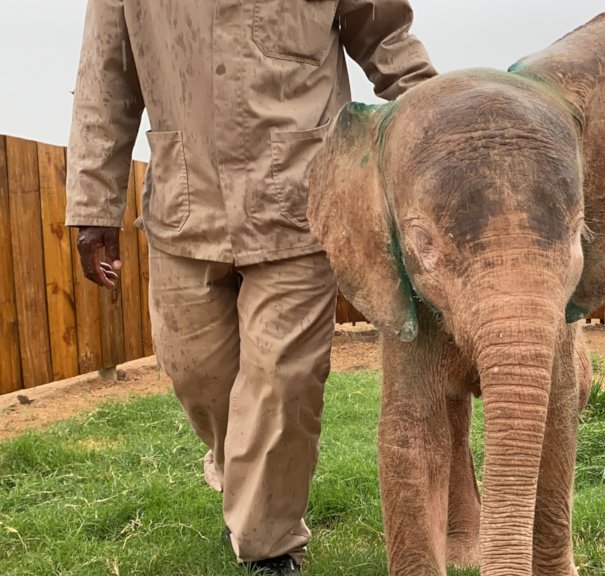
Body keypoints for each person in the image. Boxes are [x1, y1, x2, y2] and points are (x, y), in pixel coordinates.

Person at [64, 1, 436, 574]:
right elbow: (104, 77)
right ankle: (244, 472)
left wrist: (441, 112)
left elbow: (385, 35)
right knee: (193, 370)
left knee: (284, 380)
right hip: (184, 204)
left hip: (300, 196)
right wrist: (94, 207)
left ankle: (271, 547)